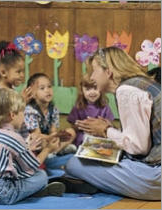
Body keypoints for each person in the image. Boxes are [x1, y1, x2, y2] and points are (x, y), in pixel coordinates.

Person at [65, 47, 161, 200]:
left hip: (156, 176)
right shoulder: (137, 84)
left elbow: (139, 147)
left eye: (94, 71)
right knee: (95, 152)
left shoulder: (127, 90)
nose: (92, 77)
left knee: (74, 163)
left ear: (108, 71)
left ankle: (97, 183)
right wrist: (110, 130)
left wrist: (106, 130)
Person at [0, 88, 65, 205]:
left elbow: (4, 153)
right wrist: (48, 149)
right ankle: (30, 193)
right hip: (1, 193)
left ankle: (26, 192)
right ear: (13, 115)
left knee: (15, 168)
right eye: (23, 112)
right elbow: (33, 165)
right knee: (41, 175)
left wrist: (27, 148)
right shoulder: (14, 136)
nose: (24, 117)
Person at [20, 73, 76, 155]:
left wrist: (57, 136)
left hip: (48, 138)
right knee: (38, 139)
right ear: (32, 94)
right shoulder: (30, 111)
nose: (47, 90)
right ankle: (53, 151)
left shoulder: (53, 109)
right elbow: (37, 134)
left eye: (49, 86)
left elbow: (53, 131)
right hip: (35, 141)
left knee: (71, 132)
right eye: (42, 88)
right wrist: (52, 137)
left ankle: (55, 151)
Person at [67, 73, 114, 147]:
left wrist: (102, 126)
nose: (92, 92)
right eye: (88, 89)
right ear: (82, 91)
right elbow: (73, 125)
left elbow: (109, 124)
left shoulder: (104, 107)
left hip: (100, 135)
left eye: (95, 88)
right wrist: (82, 125)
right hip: (83, 136)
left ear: (100, 89)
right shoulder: (78, 107)